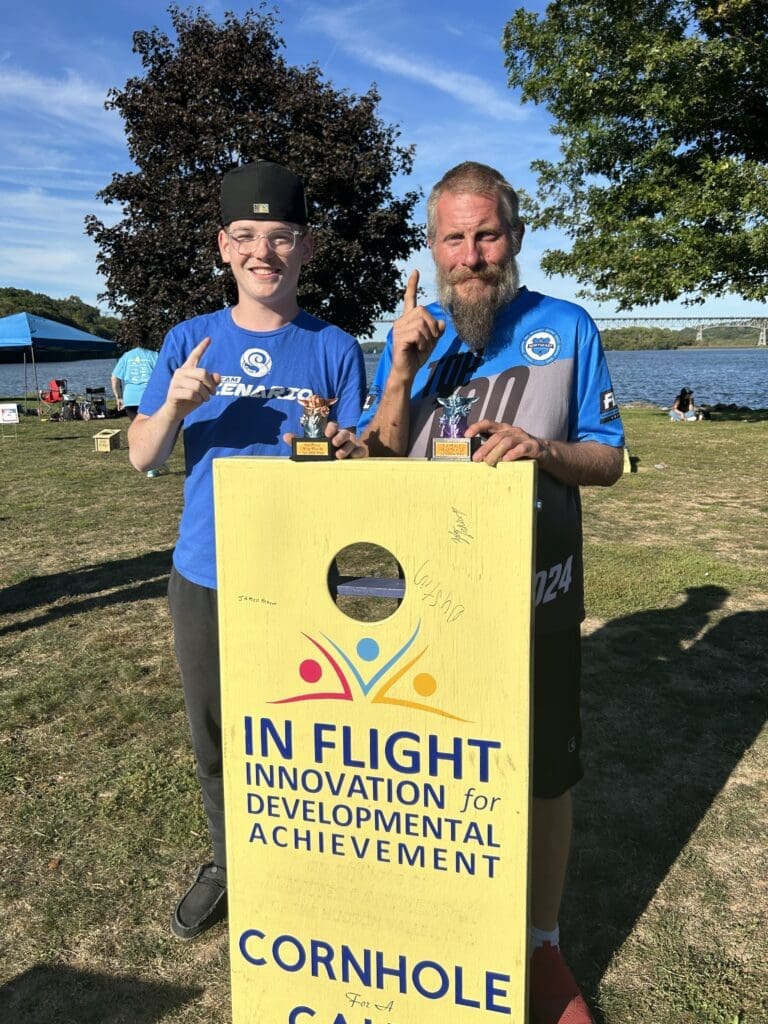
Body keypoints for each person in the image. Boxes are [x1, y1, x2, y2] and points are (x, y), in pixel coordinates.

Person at [357, 162, 625, 1024]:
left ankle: (542, 945)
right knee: (431, 776)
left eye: (487, 234)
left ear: (514, 235)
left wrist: (539, 448)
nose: (471, 256)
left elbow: (609, 458)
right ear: (432, 248)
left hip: (538, 595)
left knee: (546, 778)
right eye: (453, 239)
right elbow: (377, 461)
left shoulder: (567, 326)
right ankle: (441, 935)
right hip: (427, 609)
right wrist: (398, 372)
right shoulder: (414, 333)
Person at [127, 161, 366, 941]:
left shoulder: (333, 346)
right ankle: (230, 861)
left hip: (304, 578)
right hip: (206, 574)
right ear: (223, 246)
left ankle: (307, 860)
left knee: (310, 731)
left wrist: (339, 440)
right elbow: (141, 456)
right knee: (217, 736)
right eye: (248, 237)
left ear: (307, 248)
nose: (265, 251)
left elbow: (361, 465)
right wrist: (173, 404)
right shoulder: (188, 341)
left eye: (283, 237)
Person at [111, 342, 159, 420]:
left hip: (130, 399)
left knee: (137, 427)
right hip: (149, 398)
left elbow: (114, 378)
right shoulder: (155, 355)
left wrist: (119, 397)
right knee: (151, 428)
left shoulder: (126, 356)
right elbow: (164, 376)